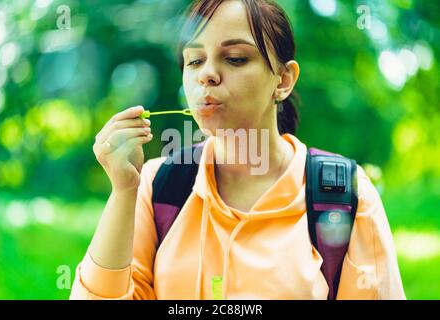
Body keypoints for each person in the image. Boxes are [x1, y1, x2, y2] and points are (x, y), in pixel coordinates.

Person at [70, 0, 405, 300]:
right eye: (195, 60)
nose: (207, 75)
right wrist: (123, 191)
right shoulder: (158, 184)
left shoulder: (345, 194)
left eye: (235, 58)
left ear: (284, 80)